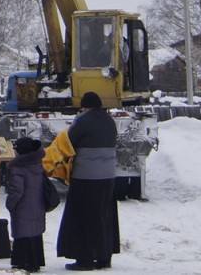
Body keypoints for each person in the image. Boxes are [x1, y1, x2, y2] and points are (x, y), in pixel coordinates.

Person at [56, 92, 120, 271]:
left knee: (83, 218)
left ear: (85, 106)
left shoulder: (82, 121)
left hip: (86, 177)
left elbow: (69, 142)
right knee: (103, 216)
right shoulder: (110, 121)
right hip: (108, 177)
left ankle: (84, 259)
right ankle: (104, 257)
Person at [6, 136, 47, 273]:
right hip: (37, 203)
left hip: (23, 206)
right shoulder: (37, 164)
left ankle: (23, 261)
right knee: (35, 232)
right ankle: (35, 261)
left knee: (23, 233)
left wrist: (10, 204)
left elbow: (17, 190)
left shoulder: (18, 168)